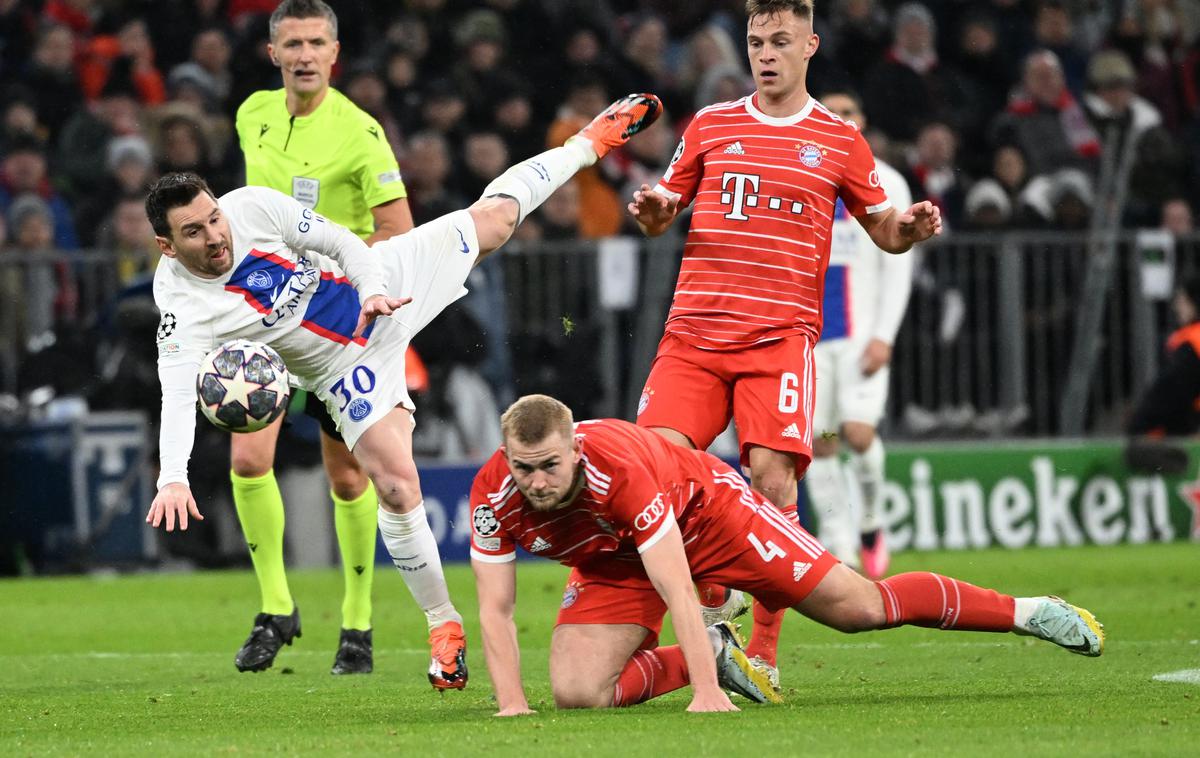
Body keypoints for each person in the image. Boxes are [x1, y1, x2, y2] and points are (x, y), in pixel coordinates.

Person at [143, 92, 664, 691]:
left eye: (212, 218)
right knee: (394, 484)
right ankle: (444, 628)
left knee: (494, 219)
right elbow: (177, 392)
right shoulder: (181, 309)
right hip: (342, 369)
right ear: (166, 246)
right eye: (193, 231)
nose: (214, 234)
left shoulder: (251, 207)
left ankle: (589, 142)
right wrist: (173, 477)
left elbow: (340, 242)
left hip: (380, 284)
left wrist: (368, 288)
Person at [626, 0, 941, 689]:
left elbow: (881, 228)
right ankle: (707, 609)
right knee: (659, 479)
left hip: (777, 341)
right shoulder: (711, 124)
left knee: (772, 484)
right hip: (695, 338)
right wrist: (654, 213)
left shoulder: (838, 139)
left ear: (809, 47)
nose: (764, 53)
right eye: (755, 41)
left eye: (778, 41)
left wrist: (908, 229)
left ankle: (761, 653)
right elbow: (666, 206)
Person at [470, 394, 1105, 715]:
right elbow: (495, 610)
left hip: (711, 517)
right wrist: (511, 706)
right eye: (525, 469)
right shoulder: (495, 494)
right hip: (614, 559)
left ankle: (1027, 611)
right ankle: (712, 660)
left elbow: (676, 588)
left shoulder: (621, 471)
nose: (537, 481)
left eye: (550, 466)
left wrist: (705, 709)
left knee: (861, 608)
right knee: (579, 693)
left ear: (575, 449)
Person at [226, 0, 416, 676]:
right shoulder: (251, 114)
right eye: (292, 43)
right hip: (263, 315)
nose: (304, 54)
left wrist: (331, 263)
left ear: (336, 54)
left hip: (336, 321)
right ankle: (276, 607)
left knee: (347, 473)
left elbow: (398, 228)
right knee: (249, 459)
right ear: (273, 54)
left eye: (316, 43)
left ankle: (357, 624)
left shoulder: (361, 134)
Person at [806, 90, 913, 581]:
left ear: (863, 119)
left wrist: (884, 336)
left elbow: (899, 269)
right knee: (822, 442)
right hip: (811, 342)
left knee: (858, 432)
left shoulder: (886, 181)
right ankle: (840, 547)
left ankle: (871, 523)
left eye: (849, 112)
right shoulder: (805, 172)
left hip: (861, 339)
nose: (841, 120)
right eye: (832, 113)